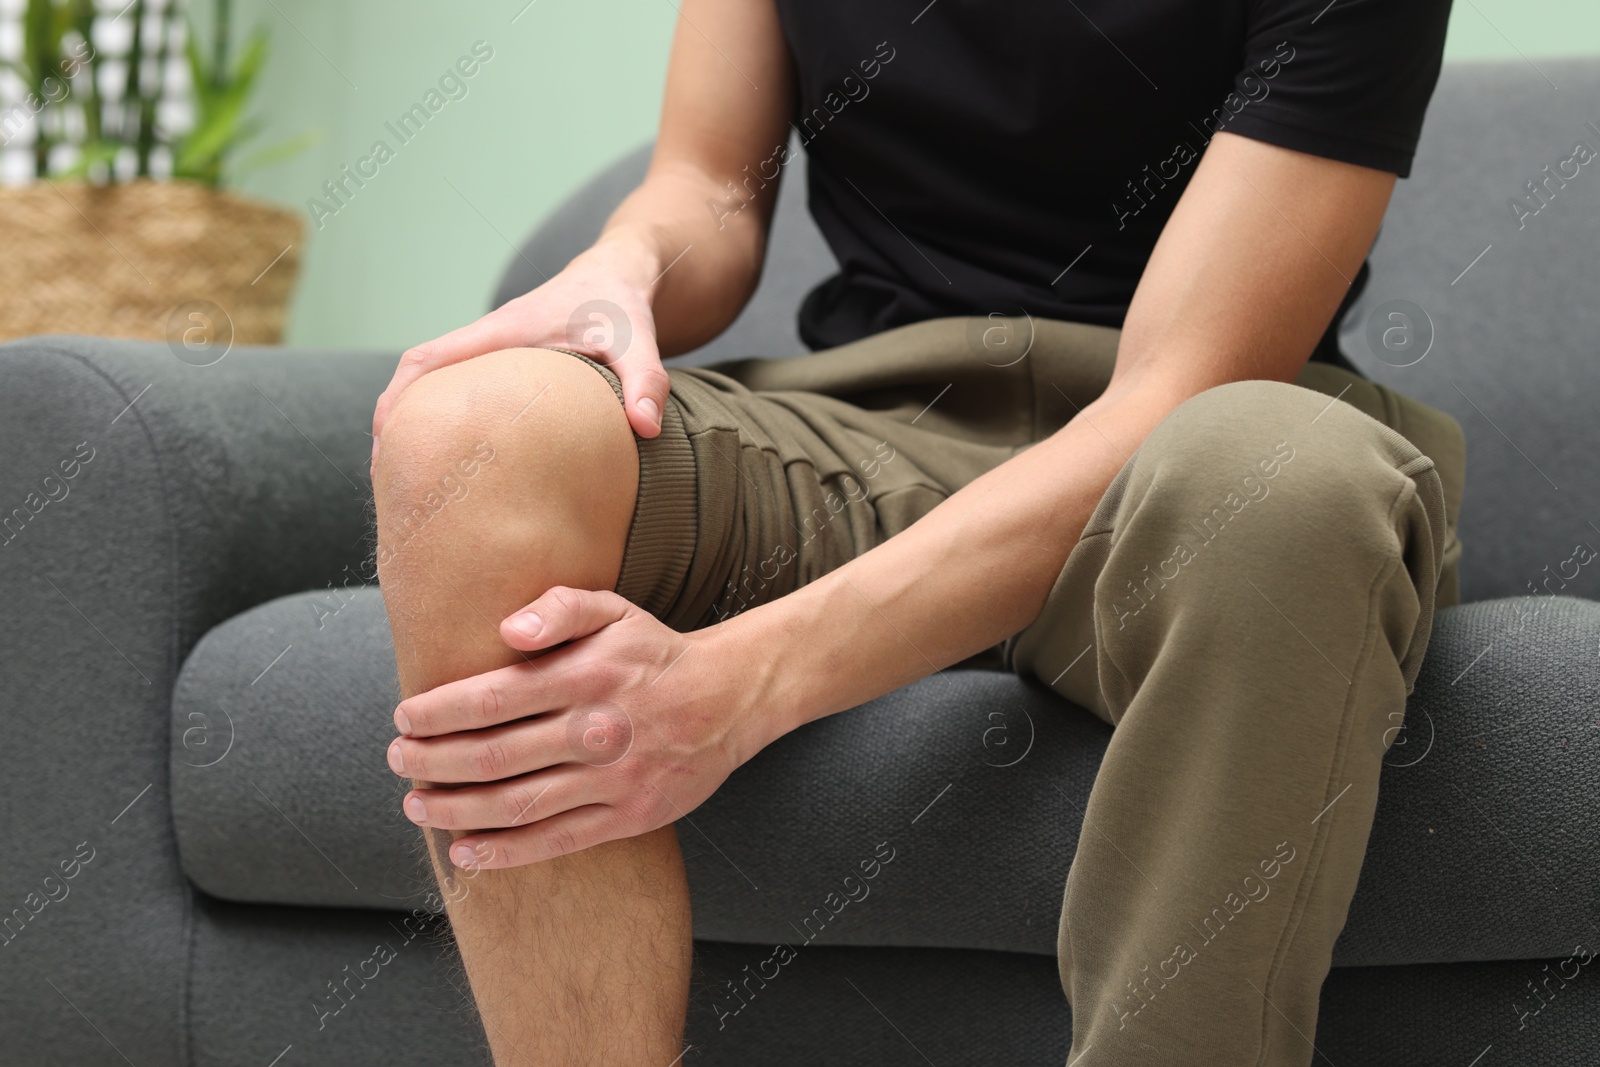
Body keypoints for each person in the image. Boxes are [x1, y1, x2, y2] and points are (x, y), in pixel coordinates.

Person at [367, 0, 1463, 1062]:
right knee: (467, 432)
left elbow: (1174, 386)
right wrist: (625, 264)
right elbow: (707, 182)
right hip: (879, 427)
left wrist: (734, 685)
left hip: (1187, 460)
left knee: (1284, 484)